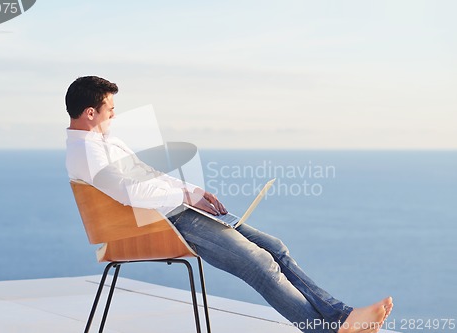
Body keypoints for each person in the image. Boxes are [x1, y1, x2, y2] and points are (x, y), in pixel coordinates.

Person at [65, 76, 393, 333]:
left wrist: (191, 191)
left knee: (275, 248)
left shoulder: (105, 142)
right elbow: (129, 192)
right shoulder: (88, 153)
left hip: (177, 212)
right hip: (167, 223)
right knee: (259, 264)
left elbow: (147, 177)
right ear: (90, 113)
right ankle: (327, 330)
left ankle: (342, 317)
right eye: (110, 108)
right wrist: (185, 197)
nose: (114, 114)